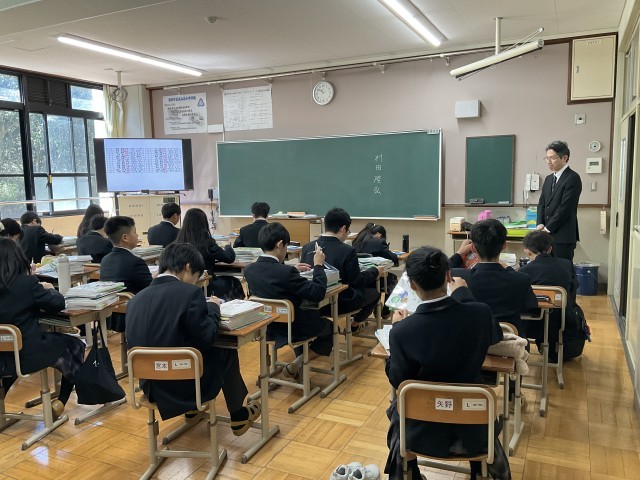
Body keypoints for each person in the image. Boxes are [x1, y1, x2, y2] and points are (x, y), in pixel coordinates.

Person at [384, 246, 510, 480]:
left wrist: (395, 330)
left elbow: (397, 378)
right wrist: (463, 293)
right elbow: (496, 335)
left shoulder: (402, 332)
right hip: (474, 428)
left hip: (420, 432)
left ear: (412, 285)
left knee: (397, 405)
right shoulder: (480, 314)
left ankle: (411, 472)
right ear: (448, 276)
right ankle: (478, 471)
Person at [125, 243, 261, 432]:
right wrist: (213, 307)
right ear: (188, 267)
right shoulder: (190, 293)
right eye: (196, 277)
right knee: (224, 349)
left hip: (151, 386)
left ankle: (192, 411)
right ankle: (238, 415)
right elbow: (208, 337)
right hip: (186, 386)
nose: (196, 282)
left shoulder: (135, 300)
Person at [0, 237, 85, 420]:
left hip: (5, 356)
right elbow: (57, 304)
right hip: (28, 354)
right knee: (75, 344)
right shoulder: (26, 283)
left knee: (10, 361)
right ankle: (61, 401)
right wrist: (48, 288)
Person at [244, 222, 333, 378]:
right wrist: (318, 266)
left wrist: (291, 270)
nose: (285, 251)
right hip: (292, 329)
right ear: (280, 244)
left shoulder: (249, 270)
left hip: (266, 327)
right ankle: (297, 363)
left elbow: (272, 276)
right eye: (286, 247)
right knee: (329, 326)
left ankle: (295, 368)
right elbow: (317, 293)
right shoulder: (286, 272)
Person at [450, 219, 536, 339]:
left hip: (472, 342)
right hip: (511, 342)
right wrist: (508, 269)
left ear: (473, 248)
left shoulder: (458, 275)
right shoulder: (521, 279)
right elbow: (531, 306)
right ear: (504, 245)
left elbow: (437, 271)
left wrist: (459, 254)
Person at [301, 208, 383, 333]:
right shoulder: (347, 250)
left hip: (312, 304)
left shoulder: (307, 247)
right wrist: (375, 271)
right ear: (343, 229)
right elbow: (356, 281)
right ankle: (354, 325)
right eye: (348, 231)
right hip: (339, 303)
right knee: (374, 294)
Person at [519, 230, 579, 362]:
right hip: (564, 319)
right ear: (550, 248)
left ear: (527, 252)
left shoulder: (524, 271)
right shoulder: (566, 264)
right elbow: (574, 287)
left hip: (534, 323)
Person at [176, 208, 243, 301]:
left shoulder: (178, 242)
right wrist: (227, 245)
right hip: (206, 282)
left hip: (184, 285)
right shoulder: (207, 242)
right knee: (234, 281)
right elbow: (229, 258)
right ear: (204, 224)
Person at [100, 216, 152, 331]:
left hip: (111, 315)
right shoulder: (135, 261)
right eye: (135, 232)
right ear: (125, 237)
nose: (137, 235)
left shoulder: (105, 260)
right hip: (134, 315)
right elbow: (151, 288)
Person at [536, 140, 582, 262]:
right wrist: (540, 223)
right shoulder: (549, 178)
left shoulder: (573, 178)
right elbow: (542, 203)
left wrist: (547, 228)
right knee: (546, 269)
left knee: (562, 269)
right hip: (545, 236)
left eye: (552, 158)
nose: (549, 161)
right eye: (546, 158)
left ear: (564, 158)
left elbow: (565, 208)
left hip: (562, 237)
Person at [352, 222, 399, 316]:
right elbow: (394, 259)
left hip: (360, 279)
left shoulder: (356, 241)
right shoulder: (379, 242)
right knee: (392, 278)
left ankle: (376, 307)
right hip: (374, 279)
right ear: (379, 235)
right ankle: (386, 310)